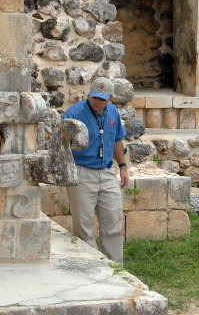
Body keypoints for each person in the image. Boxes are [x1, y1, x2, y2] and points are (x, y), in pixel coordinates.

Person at [62, 77, 129, 262]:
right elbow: (60, 142)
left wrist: (122, 167)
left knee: (114, 222)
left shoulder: (113, 112)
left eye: (102, 99)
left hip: (106, 172)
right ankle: (91, 268)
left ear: (110, 98)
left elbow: (117, 140)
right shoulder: (74, 113)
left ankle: (116, 269)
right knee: (83, 226)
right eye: (95, 97)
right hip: (81, 172)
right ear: (90, 94)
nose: (98, 102)